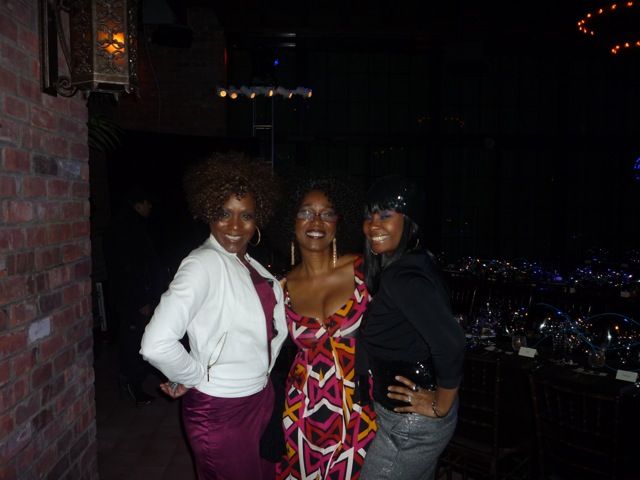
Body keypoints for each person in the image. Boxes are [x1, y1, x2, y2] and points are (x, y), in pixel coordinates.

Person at [139, 152, 288, 480]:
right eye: (224, 213)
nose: (234, 226)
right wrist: (193, 376)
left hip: (259, 399)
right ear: (208, 212)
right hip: (221, 412)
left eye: (246, 215)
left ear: (258, 218)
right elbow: (156, 344)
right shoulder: (202, 264)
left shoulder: (250, 264)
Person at [357, 174, 466, 480]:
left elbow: (451, 343)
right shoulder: (411, 264)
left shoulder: (403, 276)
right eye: (369, 216)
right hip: (407, 418)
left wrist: (440, 405)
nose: (373, 225)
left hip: (411, 424)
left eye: (385, 215)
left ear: (410, 221)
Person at [276, 178, 377, 480]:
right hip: (302, 410)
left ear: (338, 222)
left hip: (360, 406)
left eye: (327, 213)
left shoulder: (363, 270)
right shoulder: (281, 288)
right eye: (306, 212)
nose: (316, 221)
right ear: (291, 221)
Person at [105, 185, 164, 406]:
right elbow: (129, 268)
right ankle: (132, 385)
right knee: (133, 342)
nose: (150, 207)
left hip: (137, 296)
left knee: (139, 338)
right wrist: (142, 300)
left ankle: (139, 378)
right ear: (138, 204)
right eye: (147, 203)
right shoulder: (127, 228)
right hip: (134, 299)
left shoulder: (132, 225)